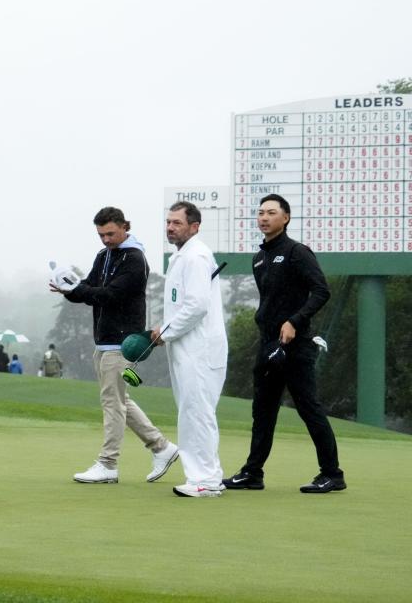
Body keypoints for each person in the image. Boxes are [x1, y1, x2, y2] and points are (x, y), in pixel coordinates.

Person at [223, 194, 345, 494]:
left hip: (296, 346)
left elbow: (320, 291)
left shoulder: (297, 252)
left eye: (271, 213)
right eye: (261, 213)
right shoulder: (259, 258)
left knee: (308, 408)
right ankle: (253, 473)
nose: (264, 217)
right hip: (267, 345)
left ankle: (332, 474)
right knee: (262, 410)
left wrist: (294, 321)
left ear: (286, 218)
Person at [52, 207, 178, 484]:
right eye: (101, 235)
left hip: (124, 343)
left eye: (110, 233)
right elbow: (88, 288)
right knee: (120, 400)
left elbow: (111, 295)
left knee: (112, 403)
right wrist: (69, 289)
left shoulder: (135, 259)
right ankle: (162, 447)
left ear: (124, 227)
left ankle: (108, 464)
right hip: (104, 340)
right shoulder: (104, 255)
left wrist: (78, 291)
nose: (106, 239)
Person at [151, 201, 227, 498]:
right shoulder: (180, 257)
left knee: (198, 413)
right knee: (190, 412)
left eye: (177, 223)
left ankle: (206, 480)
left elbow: (196, 306)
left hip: (200, 350)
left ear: (194, 226)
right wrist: (165, 331)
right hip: (185, 348)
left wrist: (165, 332)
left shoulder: (196, 256)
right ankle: (204, 477)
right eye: (168, 222)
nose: (170, 227)